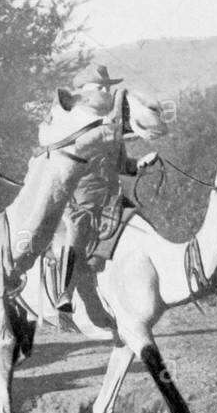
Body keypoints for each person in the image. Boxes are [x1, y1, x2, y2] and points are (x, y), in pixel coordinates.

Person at [51, 65, 158, 311]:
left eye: (107, 87)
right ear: (83, 93)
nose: (105, 91)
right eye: (99, 87)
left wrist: (139, 163)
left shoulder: (109, 127)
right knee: (74, 236)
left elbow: (121, 164)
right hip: (80, 199)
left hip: (112, 197)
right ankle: (63, 293)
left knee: (141, 227)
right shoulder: (74, 123)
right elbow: (75, 150)